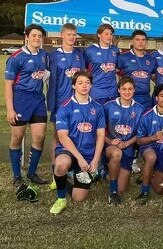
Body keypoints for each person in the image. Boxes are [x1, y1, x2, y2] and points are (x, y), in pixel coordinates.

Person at [50, 70, 106, 214]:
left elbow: (101, 135)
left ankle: (63, 180)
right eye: (80, 83)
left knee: (78, 198)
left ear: (91, 85)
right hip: (68, 150)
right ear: (74, 86)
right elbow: (62, 137)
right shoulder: (65, 107)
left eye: (87, 83)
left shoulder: (97, 108)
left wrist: (95, 160)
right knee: (61, 165)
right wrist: (79, 159)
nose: (84, 86)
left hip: (87, 153)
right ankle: (61, 199)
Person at [5, 24, 49, 190]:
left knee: (40, 137)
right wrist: (10, 109)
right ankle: (17, 176)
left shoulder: (44, 55)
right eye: (34, 35)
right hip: (21, 99)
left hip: (38, 99)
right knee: (17, 138)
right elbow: (8, 85)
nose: (37, 38)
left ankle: (32, 172)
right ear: (27, 37)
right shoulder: (17, 57)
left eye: (40, 36)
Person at [48, 23, 86, 189]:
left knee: (76, 134)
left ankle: (73, 167)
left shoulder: (80, 55)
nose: (71, 37)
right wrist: (53, 103)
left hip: (78, 103)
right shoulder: (53, 55)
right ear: (61, 35)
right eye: (68, 34)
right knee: (57, 136)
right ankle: (55, 171)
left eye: (74, 34)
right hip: (60, 103)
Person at [103, 77, 144, 204]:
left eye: (130, 89)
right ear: (119, 90)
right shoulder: (108, 107)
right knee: (116, 154)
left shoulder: (140, 109)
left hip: (128, 147)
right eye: (124, 89)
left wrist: (127, 143)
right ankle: (113, 192)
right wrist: (110, 141)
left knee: (123, 188)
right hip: (111, 147)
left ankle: (104, 173)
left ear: (134, 90)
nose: (127, 92)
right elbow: (98, 132)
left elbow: (140, 134)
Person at [117, 30, 157, 110]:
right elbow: (116, 74)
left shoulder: (151, 59)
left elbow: (153, 77)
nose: (140, 42)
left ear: (146, 42)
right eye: (137, 39)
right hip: (129, 98)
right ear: (132, 41)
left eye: (143, 40)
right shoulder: (123, 57)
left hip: (146, 99)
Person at [83, 23, 119, 105]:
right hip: (96, 92)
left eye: (111, 34)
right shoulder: (89, 50)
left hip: (112, 92)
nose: (109, 36)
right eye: (106, 34)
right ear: (99, 35)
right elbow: (85, 70)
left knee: (111, 117)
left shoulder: (115, 50)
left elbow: (117, 68)